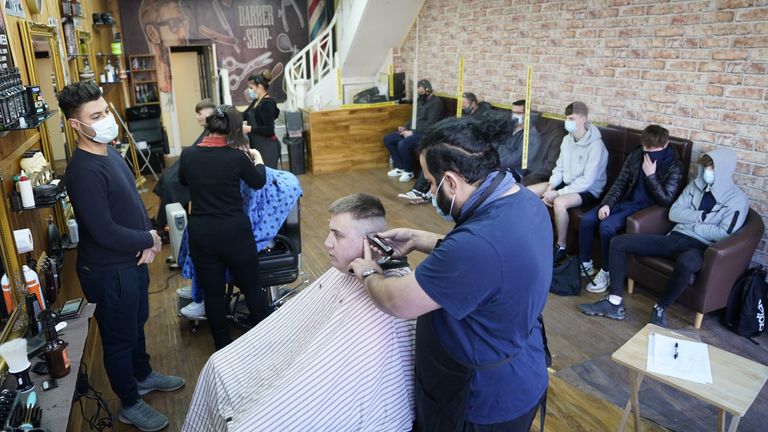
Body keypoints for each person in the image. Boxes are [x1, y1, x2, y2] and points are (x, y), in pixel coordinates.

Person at [350, 117, 551, 431]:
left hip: (483, 399)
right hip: (524, 367)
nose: (430, 190)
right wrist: (422, 239)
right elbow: (496, 262)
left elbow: (397, 301)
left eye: (431, 183)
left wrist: (367, 272)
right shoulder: (524, 201)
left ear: (452, 182)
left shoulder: (476, 248)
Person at [183, 194, 415, 432]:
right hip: (293, 362)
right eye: (330, 231)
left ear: (372, 242)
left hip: (328, 391)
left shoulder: (393, 295)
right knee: (218, 366)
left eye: (338, 235)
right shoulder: (344, 272)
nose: (327, 243)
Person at [58, 81, 184, 432]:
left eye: (105, 111)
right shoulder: (82, 171)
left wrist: (147, 239)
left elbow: (129, 201)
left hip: (132, 260)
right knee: (118, 338)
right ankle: (129, 402)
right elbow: (104, 230)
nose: (105, 119)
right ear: (76, 125)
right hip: (107, 271)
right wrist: (148, 238)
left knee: (137, 322)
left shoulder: (109, 151)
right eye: (95, 116)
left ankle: (142, 375)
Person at [579, 149, 749, 327]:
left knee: (687, 263)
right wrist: (703, 218)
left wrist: (691, 222)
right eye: (705, 166)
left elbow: (724, 233)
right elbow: (674, 213)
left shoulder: (737, 199)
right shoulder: (694, 186)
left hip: (700, 247)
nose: (707, 170)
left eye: (712, 167)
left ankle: (660, 307)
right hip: (674, 238)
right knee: (618, 242)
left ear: (724, 169)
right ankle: (614, 302)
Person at [178, 105, 272, 350]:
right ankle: (270, 343)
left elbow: (183, 180)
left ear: (208, 127)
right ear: (233, 130)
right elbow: (259, 181)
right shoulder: (237, 157)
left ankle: (222, 346)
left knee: (213, 294)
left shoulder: (188, 155)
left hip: (202, 233)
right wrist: (258, 159)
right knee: (252, 288)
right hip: (234, 232)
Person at [578, 125, 683, 292]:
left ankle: (607, 271)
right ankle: (585, 264)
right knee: (588, 219)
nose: (648, 152)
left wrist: (651, 176)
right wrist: (607, 203)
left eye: (653, 149)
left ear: (665, 144)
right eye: (646, 148)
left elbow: (666, 200)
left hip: (644, 210)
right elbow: (621, 182)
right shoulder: (636, 155)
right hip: (625, 200)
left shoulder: (674, 166)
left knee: (606, 226)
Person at [528, 101, 608, 263]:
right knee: (529, 192)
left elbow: (587, 181)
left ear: (583, 118)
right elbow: (560, 168)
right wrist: (551, 185)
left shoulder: (596, 145)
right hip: (568, 182)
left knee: (559, 203)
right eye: (566, 118)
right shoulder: (567, 140)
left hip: (589, 190)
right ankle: (532, 235)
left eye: (571, 118)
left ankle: (561, 246)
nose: (567, 122)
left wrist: (556, 193)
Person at [398, 91, 483, 203]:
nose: (462, 107)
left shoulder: (480, 117)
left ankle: (423, 192)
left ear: (473, 104)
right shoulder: (465, 114)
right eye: (460, 105)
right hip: (459, 147)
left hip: (469, 151)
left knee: (437, 160)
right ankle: (420, 191)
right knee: (432, 156)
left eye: (464, 104)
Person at [152, 98, 215, 234]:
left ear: (210, 114)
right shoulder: (207, 129)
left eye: (200, 114)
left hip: (198, 171)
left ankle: (164, 225)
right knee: (165, 178)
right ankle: (162, 220)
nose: (197, 117)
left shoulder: (213, 131)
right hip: (190, 164)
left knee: (171, 185)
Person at [384, 79, 444, 182]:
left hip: (425, 134)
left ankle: (409, 170)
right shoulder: (420, 101)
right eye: (419, 93)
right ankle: (400, 167)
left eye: (422, 93)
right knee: (389, 139)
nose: (421, 95)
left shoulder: (436, 103)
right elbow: (414, 118)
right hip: (412, 130)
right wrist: (405, 127)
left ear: (428, 90)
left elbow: (431, 124)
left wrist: (413, 132)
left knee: (403, 144)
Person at [139, 0, 189, 93]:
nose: (184, 33)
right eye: (174, 24)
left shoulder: (186, 76)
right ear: (153, 33)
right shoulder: (147, 84)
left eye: (184, 24)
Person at [242, 70, 281, 168]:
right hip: (257, 146)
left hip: (267, 148)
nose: (249, 90)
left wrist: (249, 129)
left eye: (251, 88)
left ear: (259, 87)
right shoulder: (256, 102)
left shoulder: (267, 104)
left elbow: (269, 130)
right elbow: (243, 116)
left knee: (266, 177)